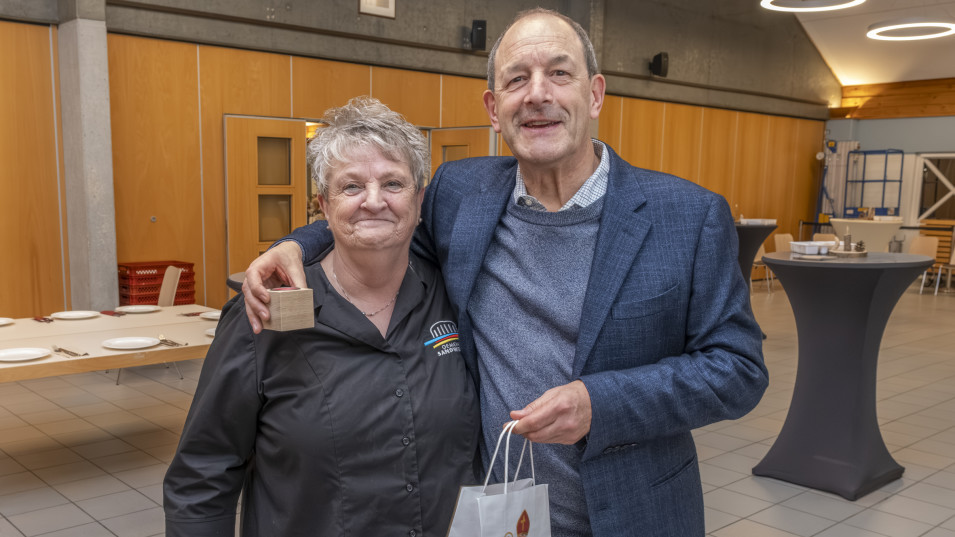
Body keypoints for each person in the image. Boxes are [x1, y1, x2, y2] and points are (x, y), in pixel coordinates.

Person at [241, 8, 768, 537]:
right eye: (517, 79)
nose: (537, 94)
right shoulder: (459, 194)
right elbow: (382, 221)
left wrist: (600, 404)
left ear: (594, 95)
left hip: (635, 517)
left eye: (559, 73)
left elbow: (738, 369)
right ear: (494, 109)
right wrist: (295, 243)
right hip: (498, 516)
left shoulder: (687, 216)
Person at [163, 97, 480, 537]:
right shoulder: (264, 311)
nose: (374, 201)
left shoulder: (453, 296)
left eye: (393, 183)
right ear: (324, 206)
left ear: (419, 199)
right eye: (351, 187)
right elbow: (202, 474)